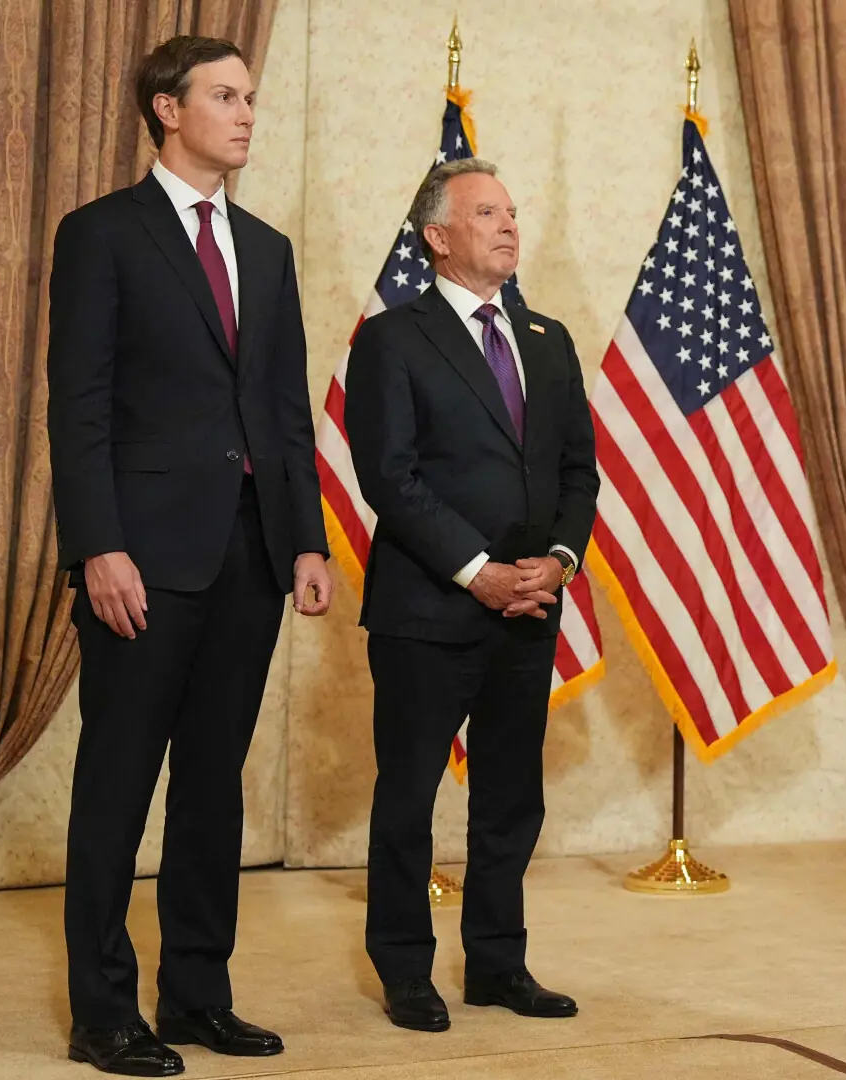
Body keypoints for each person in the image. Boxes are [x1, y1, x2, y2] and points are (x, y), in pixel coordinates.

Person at [48, 35, 333, 1077]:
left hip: (250, 558)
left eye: (251, 96)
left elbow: (284, 412)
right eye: (226, 95)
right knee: (116, 788)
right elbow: (76, 411)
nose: (248, 112)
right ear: (168, 110)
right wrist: (98, 548)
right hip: (142, 560)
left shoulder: (267, 248)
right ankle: (102, 1016)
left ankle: (197, 996)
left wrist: (303, 537)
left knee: (214, 788)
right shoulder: (102, 236)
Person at [345, 157, 597, 1033]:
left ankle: (497, 965)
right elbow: (390, 475)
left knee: (509, 800)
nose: (508, 225)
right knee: (409, 797)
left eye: (513, 212)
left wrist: (558, 559)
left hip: (529, 609)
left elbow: (577, 470)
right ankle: (406, 971)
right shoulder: (392, 339)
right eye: (487, 213)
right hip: (429, 610)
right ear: (439, 237)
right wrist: (476, 571)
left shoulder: (548, 339)